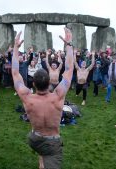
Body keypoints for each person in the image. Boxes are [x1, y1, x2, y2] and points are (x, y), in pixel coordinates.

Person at [11, 28, 74, 169]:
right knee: (49, 154)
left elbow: (15, 72)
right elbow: (69, 70)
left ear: (33, 84)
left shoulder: (27, 97)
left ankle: (41, 163)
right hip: (52, 143)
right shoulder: (58, 95)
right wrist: (69, 45)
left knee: (41, 149)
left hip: (34, 139)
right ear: (49, 83)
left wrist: (16, 47)